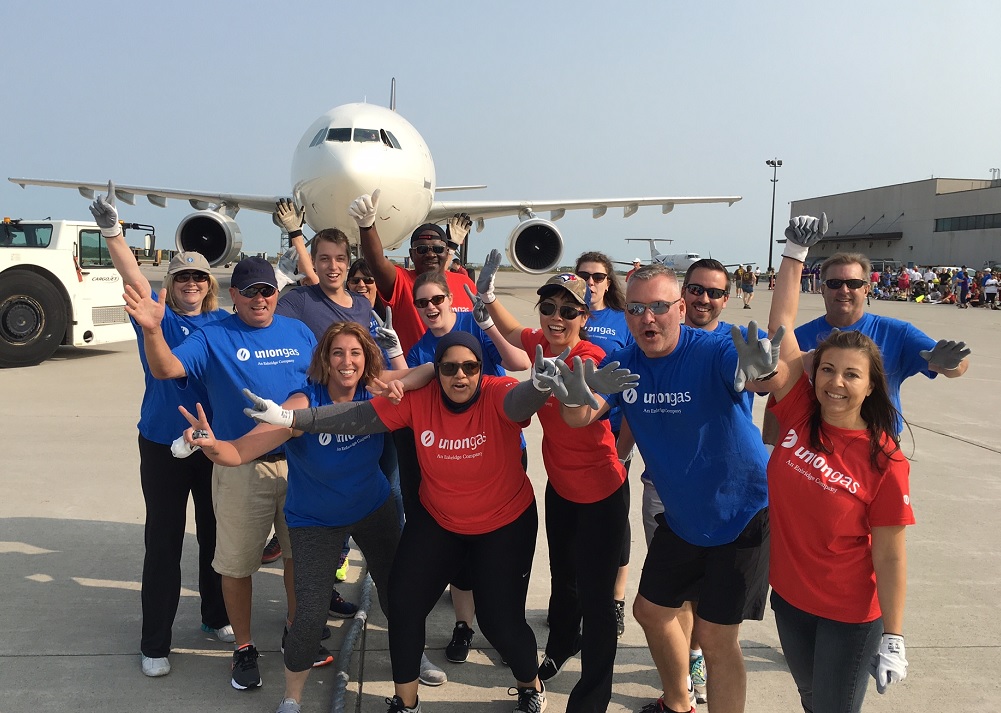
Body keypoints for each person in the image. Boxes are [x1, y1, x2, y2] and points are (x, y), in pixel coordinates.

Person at [245, 331, 632, 713]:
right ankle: (406, 701)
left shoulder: (496, 392)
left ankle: (530, 683)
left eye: (470, 366)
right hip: (440, 521)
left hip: (503, 523)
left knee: (500, 624)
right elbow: (357, 416)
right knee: (403, 604)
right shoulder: (420, 399)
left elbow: (519, 402)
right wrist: (289, 417)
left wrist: (540, 385)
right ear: (438, 371)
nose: (459, 376)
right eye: (448, 367)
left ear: (481, 369)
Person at [560, 262, 773, 713]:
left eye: (659, 307)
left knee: (716, 638)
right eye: (636, 308)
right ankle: (678, 703)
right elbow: (580, 416)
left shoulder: (712, 348)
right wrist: (574, 395)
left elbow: (750, 375)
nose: (646, 318)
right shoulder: (625, 363)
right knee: (650, 611)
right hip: (681, 516)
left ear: (680, 308)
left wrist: (762, 373)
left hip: (741, 513)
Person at [180, 322, 407, 713]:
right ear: (324, 359)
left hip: (373, 509)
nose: (347, 361)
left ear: (367, 358)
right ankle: (292, 696)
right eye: (337, 353)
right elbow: (238, 453)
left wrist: (400, 376)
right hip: (315, 520)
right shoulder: (301, 403)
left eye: (355, 353)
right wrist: (212, 445)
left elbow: (426, 373)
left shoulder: (376, 390)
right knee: (309, 613)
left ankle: (412, 658)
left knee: (398, 594)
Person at [124, 255, 321, 691]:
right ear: (234, 295)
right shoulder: (213, 334)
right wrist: (153, 329)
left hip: (298, 465)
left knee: (295, 557)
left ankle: (288, 630)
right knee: (224, 559)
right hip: (235, 461)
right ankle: (228, 647)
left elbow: (320, 381)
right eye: (249, 291)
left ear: (277, 293)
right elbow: (167, 369)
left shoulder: (299, 331)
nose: (259, 298)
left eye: (267, 290)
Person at [744, 214, 915, 712]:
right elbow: (782, 328)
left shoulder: (884, 460)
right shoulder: (800, 411)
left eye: (851, 375)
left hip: (848, 613)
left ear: (871, 385)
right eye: (828, 370)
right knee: (811, 697)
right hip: (791, 602)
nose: (835, 383)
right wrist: (794, 256)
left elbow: (890, 554)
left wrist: (894, 634)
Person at [480, 255, 634, 713]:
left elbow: (578, 416)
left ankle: (591, 698)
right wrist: (486, 297)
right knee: (564, 581)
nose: (556, 318)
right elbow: (512, 332)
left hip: (602, 492)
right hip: (561, 489)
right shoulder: (541, 342)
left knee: (598, 598)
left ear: (584, 318)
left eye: (569, 311)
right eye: (549, 308)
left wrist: (568, 391)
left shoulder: (592, 358)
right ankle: (562, 645)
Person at [89, 183, 231, 678]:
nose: (190, 282)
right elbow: (132, 272)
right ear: (169, 285)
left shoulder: (224, 326)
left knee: (216, 539)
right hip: (162, 445)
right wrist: (113, 233)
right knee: (165, 542)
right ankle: (155, 642)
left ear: (209, 282)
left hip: (212, 446)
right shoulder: (156, 319)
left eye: (198, 276)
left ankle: (215, 617)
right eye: (182, 277)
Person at [406, 270, 532, 665]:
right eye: (421, 303)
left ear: (449, 299)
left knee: (499, 564)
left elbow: (520, 362)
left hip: (500, 448)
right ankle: (464, 625)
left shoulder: (471, 323)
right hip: (450, 455)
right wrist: (418, 367)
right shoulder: (419, 350)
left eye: (436, 300)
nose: (430, 308)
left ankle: (506, 626)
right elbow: (402, 389)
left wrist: (488, 325)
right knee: (461, 559)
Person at [760, 251, 971, 447]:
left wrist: (951, 364)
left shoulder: (898, 333)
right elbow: (777, 399)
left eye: (853, 283)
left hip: (876, 447)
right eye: (834, 283)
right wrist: (769, 448)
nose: (844, 290)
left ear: (866, 289)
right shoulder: (799, 338)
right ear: (822, 289)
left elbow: (954, 366)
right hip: (813, 448)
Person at [574, 250, 635, 638]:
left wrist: (625, 442)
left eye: (598, 277)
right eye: (584, 276)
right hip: (572, 431)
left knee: (615, 519)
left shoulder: (622, 320)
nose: (591, 283)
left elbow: (633, 377)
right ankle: (572, 597)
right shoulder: (567, 314)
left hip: (610, 434)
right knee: (576, 521)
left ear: (608, 282)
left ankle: (615, 599)